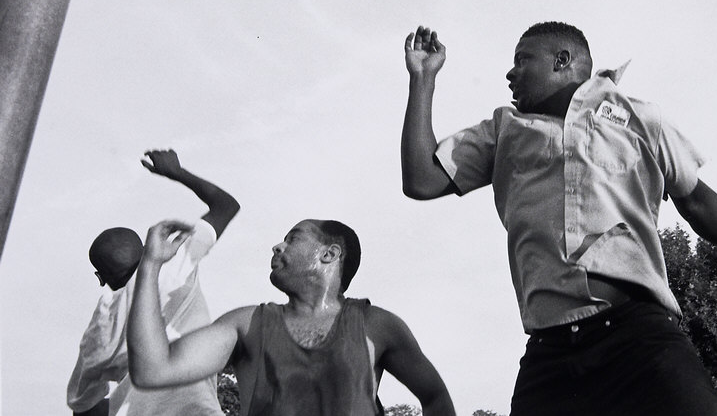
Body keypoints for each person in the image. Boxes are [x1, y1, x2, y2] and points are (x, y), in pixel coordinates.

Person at [401, 22, 717, 416]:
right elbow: (421, 179)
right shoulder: (504, 130)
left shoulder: (640, 118)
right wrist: (422, 78)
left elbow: (696, 200)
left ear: (562, 60)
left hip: (638, 337)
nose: (511, 72)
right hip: (550, 353)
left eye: (522, 60)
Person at [127, 218, 456, 416]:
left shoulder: (377, 325)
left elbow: (435, 397)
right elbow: (153, 370)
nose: (277, 246)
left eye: (293, 237)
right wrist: (151, 264)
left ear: (329, 254)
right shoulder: (247, 325)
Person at [67, 149, 241, 416]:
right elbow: (227, 206)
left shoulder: (101, 324)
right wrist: (176, 172)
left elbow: (84, 407)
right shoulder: (175, 262)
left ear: (101, 279)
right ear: (145, 249)